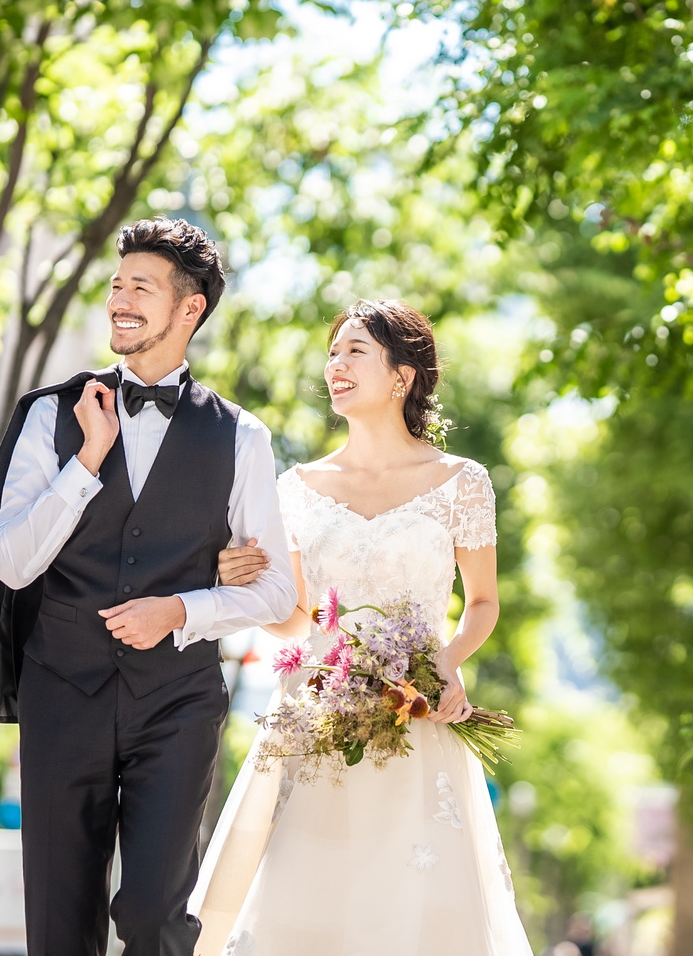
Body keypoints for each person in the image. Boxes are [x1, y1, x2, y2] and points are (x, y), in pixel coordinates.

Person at [0, 217, 297, 956]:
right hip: (61, 692)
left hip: (175, 702)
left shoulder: (242, 437)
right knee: (59, 924)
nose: (120, 298)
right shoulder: (53, 414)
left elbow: (275, 594)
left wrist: (182, 608)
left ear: (189, 310)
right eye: (116, 285)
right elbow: (10, 562)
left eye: (141, 286)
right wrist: (86, 464)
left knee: (151, 913)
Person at [191, 299, 534, 956]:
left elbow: (483, 602)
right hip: (314, 719)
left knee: (415, 909)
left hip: (418, 718)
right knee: (302, 904)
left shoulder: (462, 482)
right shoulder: (295, 487)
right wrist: (240, 586)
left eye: (355, 351)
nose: (335, 365)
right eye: (332, 352)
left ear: (402, 376)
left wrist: (445, 664)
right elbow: (295, 619)